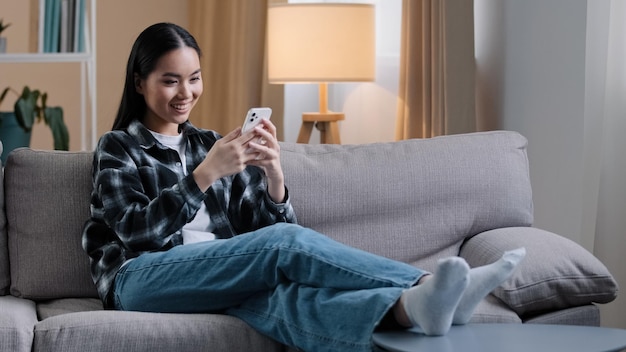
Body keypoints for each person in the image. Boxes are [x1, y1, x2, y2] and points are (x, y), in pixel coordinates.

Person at [82, 22, 526, 352]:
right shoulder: (119, 146)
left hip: (216, 275)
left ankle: (412, 309)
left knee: (290, 302)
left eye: (194, 77)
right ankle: (426, 284)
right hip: (139, 279)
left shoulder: (211, 144)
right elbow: (136, 234)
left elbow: (259, 230)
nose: (185, 92)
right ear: (140, 83)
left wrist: (275, 176)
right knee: (282, 246)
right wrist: (205, 175)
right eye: (170, 80)